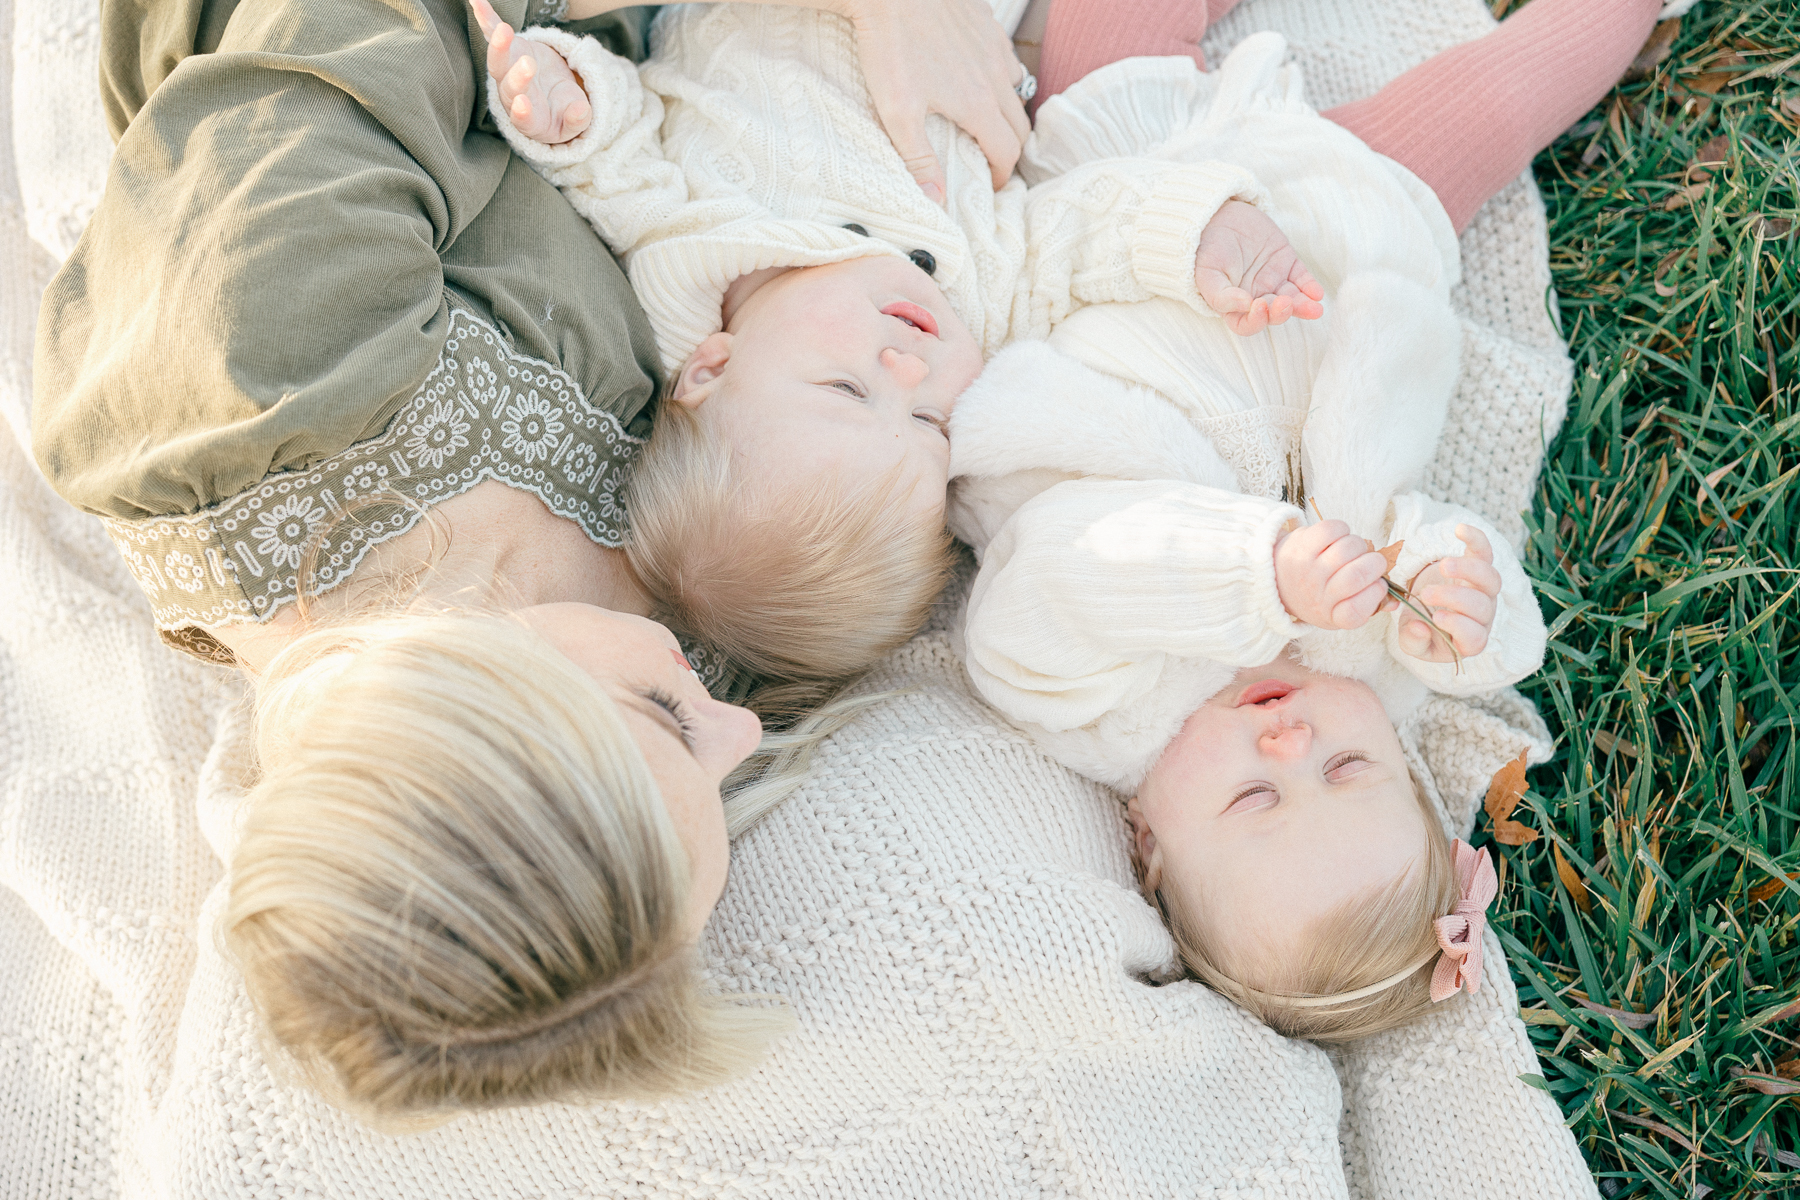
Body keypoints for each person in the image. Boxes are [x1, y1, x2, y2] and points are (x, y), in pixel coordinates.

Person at [30, 0, 1037, 1120]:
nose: (740, 729)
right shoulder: (676, 677)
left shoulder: (268, 369)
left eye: (670, 718)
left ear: (479, 697)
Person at [946, 0, 1673, 1039]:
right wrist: (1467, 610)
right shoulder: (1365, 662)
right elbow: (1436, 556)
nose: (1289, 742)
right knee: (1506, 97)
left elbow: (1058, 569)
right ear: (1405, 760)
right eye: (1346, 767)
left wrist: (1257, 575)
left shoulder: (1093, 706)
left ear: (1148, 844)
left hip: (1132, 204)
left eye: (1255, 799)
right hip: (1344, 227)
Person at [473, 0, 1326, 698]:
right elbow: (1063, 238)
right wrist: (1194, 237)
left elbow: (610, 152)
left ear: (712, 367)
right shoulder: (973, 301)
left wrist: (564, 102)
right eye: (927, 420)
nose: (909, 369)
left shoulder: (678, 253)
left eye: (845, 390)